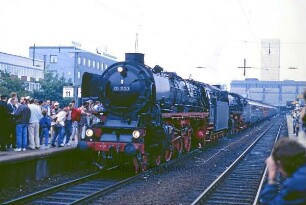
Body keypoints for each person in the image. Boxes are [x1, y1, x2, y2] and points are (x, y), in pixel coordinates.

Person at [259, 138, 306, 205]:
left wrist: (271, 176)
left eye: (278, 167)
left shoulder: (296, 182)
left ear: (280, 163)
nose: (279, 170)